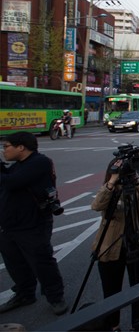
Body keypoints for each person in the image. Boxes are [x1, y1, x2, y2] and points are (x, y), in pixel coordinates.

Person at [0, 132, 67, 316]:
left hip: (33, 225)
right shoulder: (18, 165)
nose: (4, 151)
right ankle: (25, 294)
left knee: (42, 262)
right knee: (15, 263)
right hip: (9, 225)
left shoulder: (40, 162)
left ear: (21, 147)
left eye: (6, 146)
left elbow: (12, 183)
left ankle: (55, 297)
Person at [92, 157, 139, 331]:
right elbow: (96, 205)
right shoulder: (109, 188)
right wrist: (112, 181)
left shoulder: (136, 185)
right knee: (111, 290)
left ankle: (137, 322)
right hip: (111, 245)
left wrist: (136, 178)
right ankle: (114, 325)